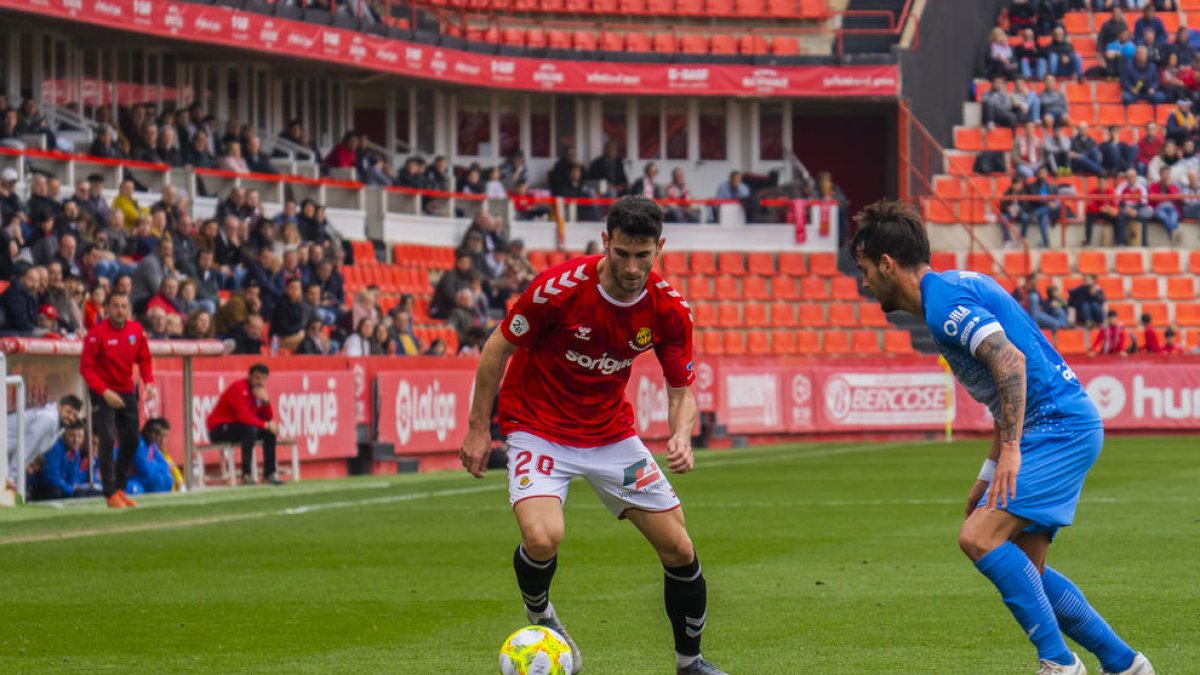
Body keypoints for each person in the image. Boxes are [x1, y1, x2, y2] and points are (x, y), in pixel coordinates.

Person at [848, 199, 1154, 675]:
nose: (864, 282)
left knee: (977, 537)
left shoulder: (944, 306)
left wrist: (1010, 450)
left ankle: (1060, 663)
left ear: (887, 264)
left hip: (1056, 429)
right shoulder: (953, 288)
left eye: (865, 269)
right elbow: (1002, 390)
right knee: (1029, 570)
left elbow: (1010, 362)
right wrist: (989, 470)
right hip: (1057, 425)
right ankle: (1124, 663)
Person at [459, 196, 726, 675]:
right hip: (537, 427)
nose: (632, 267)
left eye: (642, 255)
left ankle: (691, 663)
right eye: (622, 253)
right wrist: (479, 428)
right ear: (606, 242)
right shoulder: (558, 290)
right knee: (543, 537)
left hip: (609, 435)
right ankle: (540, 612)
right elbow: (497, 347)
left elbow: (681, 390)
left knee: (679, 547)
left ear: (659, 248)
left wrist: (682, 435)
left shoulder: (668, 309)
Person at [79, 292, 156, 508]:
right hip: (103, 392)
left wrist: (149, 382)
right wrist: (104, 392)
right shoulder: (96, 334)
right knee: (107, 438)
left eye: (123, 306)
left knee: (132, 439)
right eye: (115, 306)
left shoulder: (136, 330)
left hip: (126, 389)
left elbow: (144, 358)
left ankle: (120, 487)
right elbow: (86, 368)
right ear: (107, 308)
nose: (120, 311)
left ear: (128, 309)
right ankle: (110, 491)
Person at [206, 363, 281, 485]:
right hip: (220, 428)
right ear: (250, 377)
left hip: (240, 427)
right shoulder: (239, 388)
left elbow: (267, 417)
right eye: (257, 378)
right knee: (250, 429)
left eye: (263, 379)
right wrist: (266, 425)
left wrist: (266, 402)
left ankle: (269, 474)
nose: (260, 382)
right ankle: (246, 474)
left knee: (269, 433)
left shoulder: (258, 393)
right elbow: (243, 417)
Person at [5, 394, 82, 486]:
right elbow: (26, 446)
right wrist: (11, 475)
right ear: (60, 407)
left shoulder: (59, 427)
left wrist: (14, 475)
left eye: (74, 416)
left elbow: (33, 451)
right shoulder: (49, 419)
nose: (71, 417)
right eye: (68, 412)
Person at [28, 422, 101, 501]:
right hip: (42, 489)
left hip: (62, 488)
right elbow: (51, 478)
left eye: (80, 436)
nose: (76, 440)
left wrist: (74, 488)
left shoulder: (75, 451)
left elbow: (73, 478)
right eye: (71, 435)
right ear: (63, 434)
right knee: (57, 491)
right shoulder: (55, 447)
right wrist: (71, 489)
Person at [126, 418, 175, 495]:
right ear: (146, 431)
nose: (155, 437)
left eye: (157, 434)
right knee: (158, 479)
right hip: (131, 479)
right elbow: (146, 469)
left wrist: (153, 464)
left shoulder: (152, 445)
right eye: (154, 433)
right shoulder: (137, 443)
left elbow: (164, 463)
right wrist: (157, 464)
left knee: (168, 478)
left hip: (142, 478)